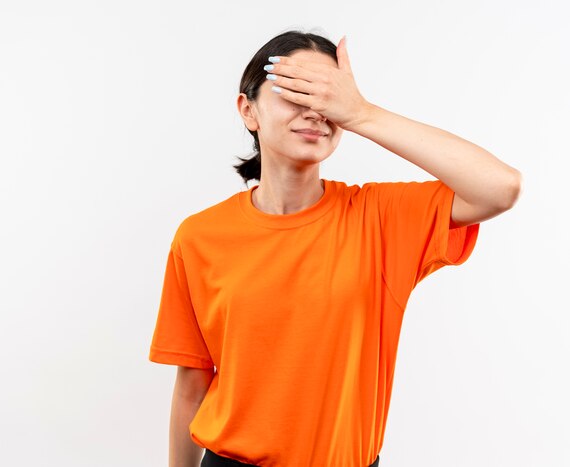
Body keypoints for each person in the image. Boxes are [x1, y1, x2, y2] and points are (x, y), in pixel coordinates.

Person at [148, 30, 522, 467]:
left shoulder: (379, 218)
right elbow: (192, 382)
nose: (315, 110)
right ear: (248, 111)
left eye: (327, 96)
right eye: (295, 91)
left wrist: (362, 113)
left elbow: (500, 187)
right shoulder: (199, 236)